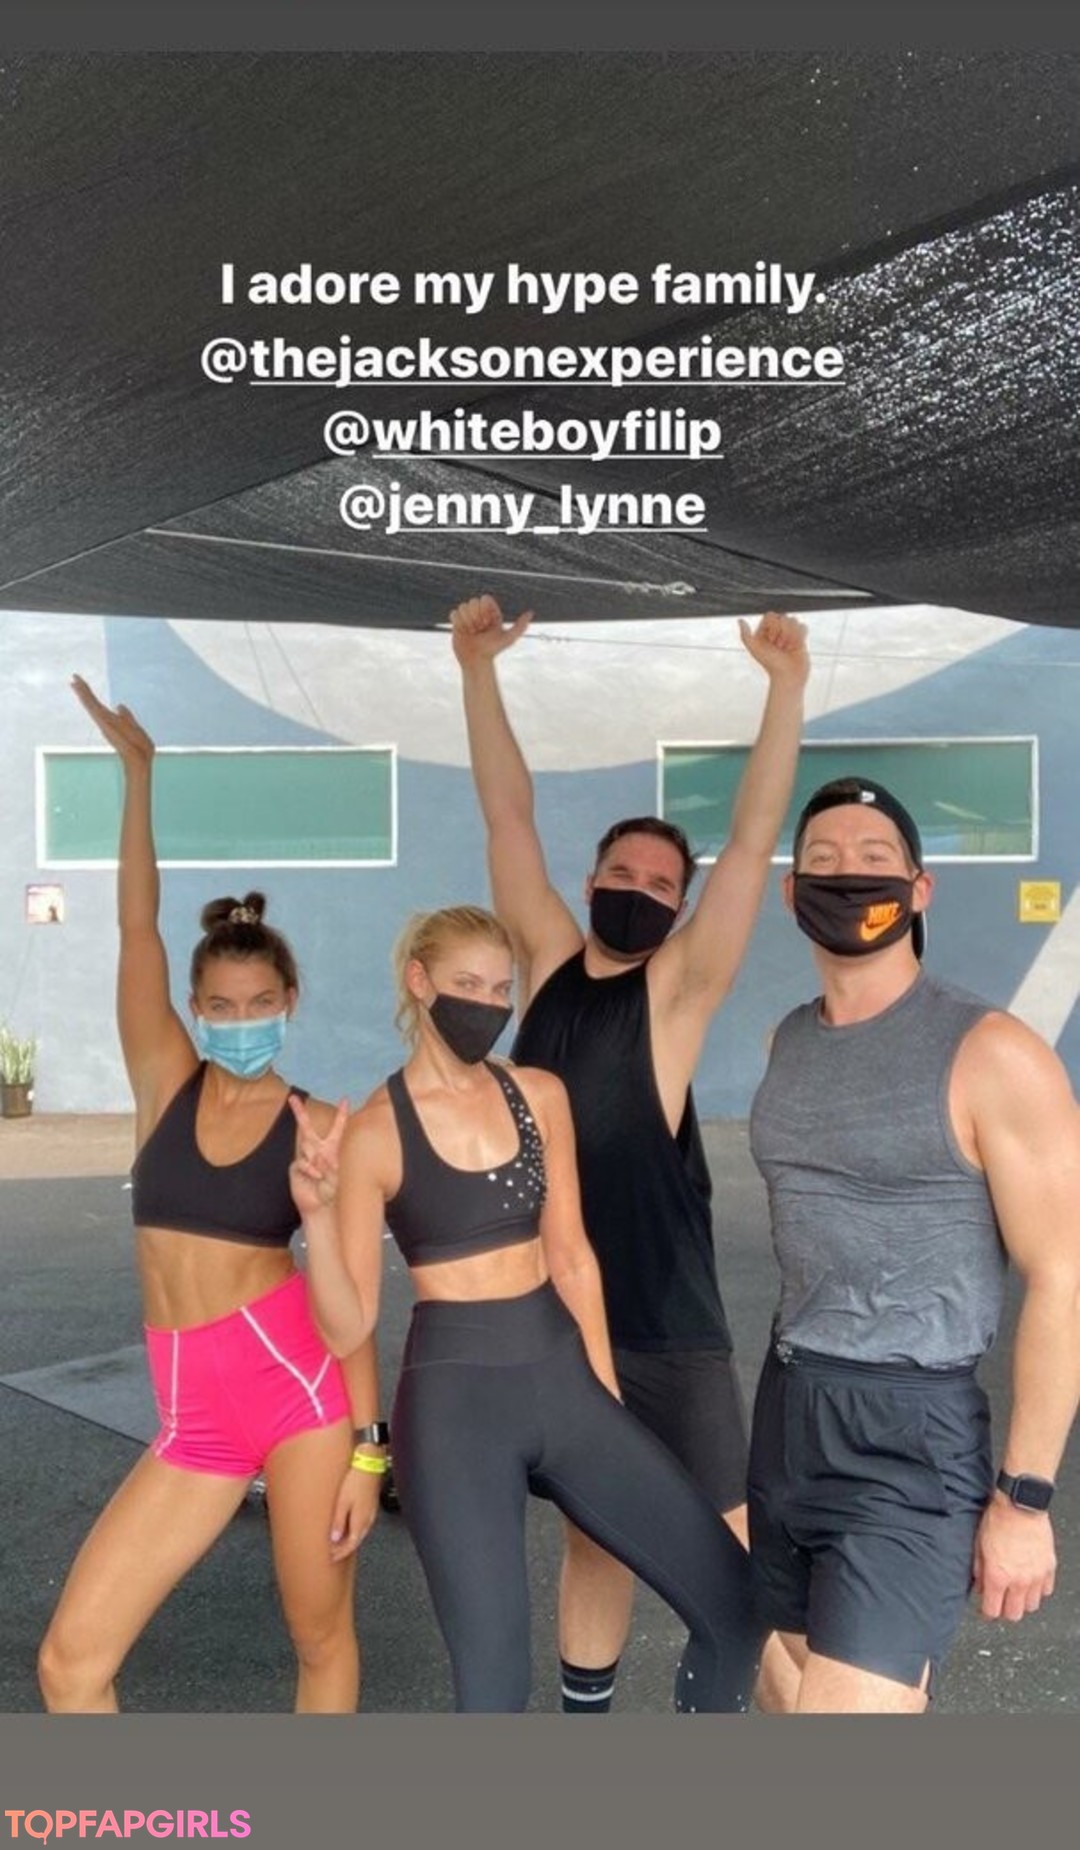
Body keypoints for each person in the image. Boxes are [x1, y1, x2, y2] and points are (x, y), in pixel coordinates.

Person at [450, 593, 809, 1712]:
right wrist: (476, 670)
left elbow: (751, 839)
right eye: (624, 872)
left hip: (667, 1330)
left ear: (681, 906)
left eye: (662, 885)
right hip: (557, 1321)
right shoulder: (549, 959)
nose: (639, 891)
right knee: (595, 1542)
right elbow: (507, 815)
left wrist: (786, 690)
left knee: (737, 1567)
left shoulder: (678, 989)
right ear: (591, 878)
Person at [290, 905, 764, 1713]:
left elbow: (572, 1255)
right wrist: (317, 1217)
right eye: (467, 984)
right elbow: (347, 1326)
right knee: (494, 1692)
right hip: (456, 1409)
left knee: (736, 1605)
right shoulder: (374, 1132)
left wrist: (604, 1394)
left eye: (501, 989)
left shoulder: (538, 1094)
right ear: (419, 981)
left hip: (562, 1375)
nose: (487, 1004)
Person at [38, 680, 383, 1713]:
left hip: (299, 1395)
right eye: (222, 1005)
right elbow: (135, 925)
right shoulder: (165, 1081)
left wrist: (369, 1455)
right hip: (192, 1413)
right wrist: (137, 777)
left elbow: (350, 1311)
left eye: (261, 1002)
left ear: (290, 1002)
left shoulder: (317, 1124)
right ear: (194, 1008)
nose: (241, 1020)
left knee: (319, 1638)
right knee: (71, 1664)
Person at [746, 774, 1080, 1713]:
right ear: (792, 893)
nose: (846, 873)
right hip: (790, 1407)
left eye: (873, 857)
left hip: (909, 1432)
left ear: (919, 889)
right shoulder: (786, 1043)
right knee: (788, 1688)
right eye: (822, 860)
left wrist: (1024, 1498)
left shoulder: (993, 1052)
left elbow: (1063, 1276)